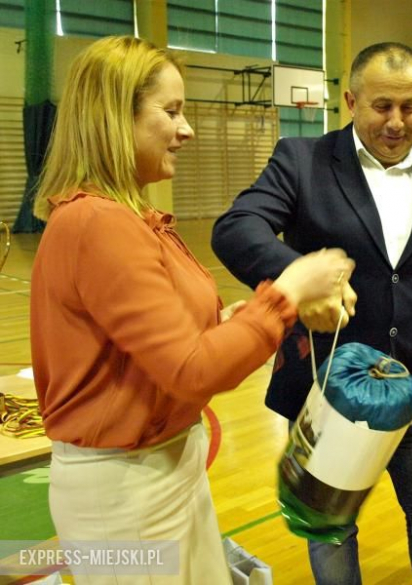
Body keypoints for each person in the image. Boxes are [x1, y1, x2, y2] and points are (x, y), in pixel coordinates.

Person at [29, 35, 353, 584]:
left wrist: (236, 320)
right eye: (172, 111)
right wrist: (290, 287)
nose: (187, 129)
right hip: (125, 491)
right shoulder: (97, 223)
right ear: (115, 117)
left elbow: (167, 345)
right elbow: (192, 369)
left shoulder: (128, 218)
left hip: (163, 469)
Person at [212, 42, 412, 584]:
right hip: (323, 389)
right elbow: (236, 228)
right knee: (331, 528)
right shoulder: (301, 159)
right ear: (351, 100)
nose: (396, 121)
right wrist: (303, 280)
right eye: (382, 106)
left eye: (410, 107)